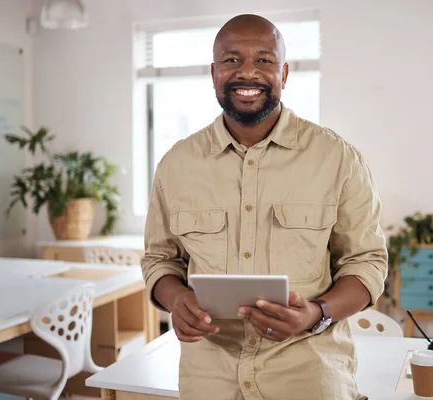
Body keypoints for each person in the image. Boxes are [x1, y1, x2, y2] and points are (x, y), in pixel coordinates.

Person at [141, 13, 388, 400]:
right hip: (208, 376)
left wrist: (315, 312)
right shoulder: (176, 164)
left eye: (264, 60)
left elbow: (367, 263)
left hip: (309, 371)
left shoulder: (338, 158)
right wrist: (177, 300)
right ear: (213, 72)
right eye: (232, 59)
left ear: (284, 73)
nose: (248, 72)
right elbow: (160, 260)